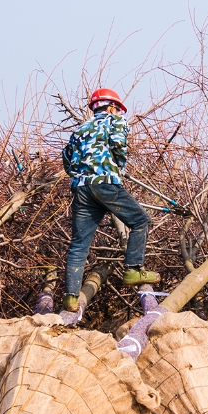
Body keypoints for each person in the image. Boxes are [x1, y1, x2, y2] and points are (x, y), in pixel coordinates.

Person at [61, 87, 159, 313]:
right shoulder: (115, 122)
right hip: (105, 183)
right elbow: (118, 146)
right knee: (140, 221)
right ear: (112, 107)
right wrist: (118, 168)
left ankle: (71, 297)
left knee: (79, 244)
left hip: (81, 189)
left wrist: (83, 174)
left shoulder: (79, 130)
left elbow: (67, 161)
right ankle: (133, 270)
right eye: (118, 110)